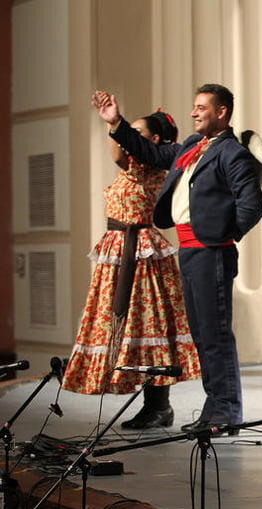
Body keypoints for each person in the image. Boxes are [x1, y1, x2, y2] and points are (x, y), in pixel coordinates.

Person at [92, 84, 262, 430]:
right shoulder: (191, 147)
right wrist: (116, 123)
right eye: (194, 107)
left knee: (215, 334)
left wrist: (223, 235)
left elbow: (253, 205)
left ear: (222, 112)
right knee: (202, 334)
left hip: (210, 250)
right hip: (188, 249)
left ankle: (227, 411)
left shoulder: (232, 153)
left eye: (201, 107)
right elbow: (150, 152)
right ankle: (213, 408)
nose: (193, 113)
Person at [62, 110, 201, 429]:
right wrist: (116, 125)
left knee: (149, 329)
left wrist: (114, 123)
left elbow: (117, 150)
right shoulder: (133, 166)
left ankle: (158, 405)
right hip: (119, 251)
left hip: (141, 253)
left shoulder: (146, 166)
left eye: (135, 132)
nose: (127, 137)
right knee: (131, 331)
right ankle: (153, 404)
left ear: (153, 141)